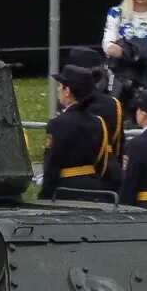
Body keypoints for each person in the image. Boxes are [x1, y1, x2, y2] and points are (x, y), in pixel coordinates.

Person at [40, 66, 113, 200]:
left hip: (65, 189)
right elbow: (103, 162)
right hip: (94, 188)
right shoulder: (98, 122)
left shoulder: (57, 124)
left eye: (60, 86)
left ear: (67, 91)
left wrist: (45, 195)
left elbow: (52, 163)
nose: (57, 89)